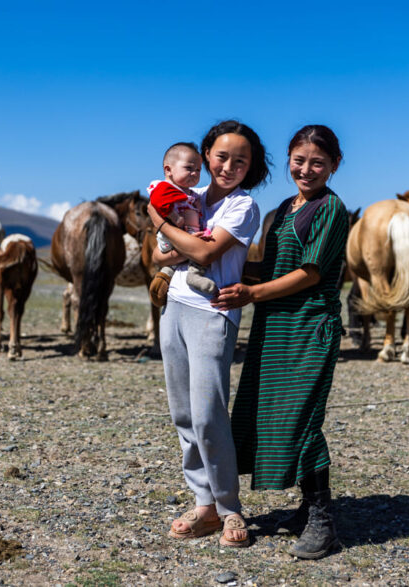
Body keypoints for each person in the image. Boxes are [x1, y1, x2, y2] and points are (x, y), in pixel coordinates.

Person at [212, 124, 350, 559]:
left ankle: (324, 522)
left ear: (334, 166)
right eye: (299, 160)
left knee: (302, 420)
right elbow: (270, 270)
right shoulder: (285, 208)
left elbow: (310, 273)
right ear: (289, 158)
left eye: (317, 163)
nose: (306, 169)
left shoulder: (330, 209)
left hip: (309, 328)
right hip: (276, 329)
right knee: (276, 418)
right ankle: (307, 508)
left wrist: (251, 294)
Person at [147, 120, 267, 547]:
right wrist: (170, 240)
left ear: (250, 167)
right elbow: (161, 256)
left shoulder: (243, 205)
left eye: (241, 160)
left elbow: (203, 250)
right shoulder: (189, 195)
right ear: (205, 155)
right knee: (182, 413)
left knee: (208, 412)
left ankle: (231, 507)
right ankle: (204, 505)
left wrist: (159, 223)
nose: (229, 166)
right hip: (175, 309)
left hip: (213, 314)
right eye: (221, 156)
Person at [147, 143, 216, 296]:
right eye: (189, 168)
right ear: (168, 170)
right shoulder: (164, 187)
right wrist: (174, 216)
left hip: (187, 234)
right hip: (172, 236)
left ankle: (180, 272)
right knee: (195, 248)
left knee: (199, 245)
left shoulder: (189, 192)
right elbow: (157, 202)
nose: (195, 173)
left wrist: (196, 203)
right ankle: (193, 275)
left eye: (198, 170)